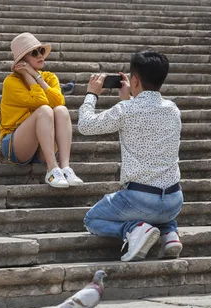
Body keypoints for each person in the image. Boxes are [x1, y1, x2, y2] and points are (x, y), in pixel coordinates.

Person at [77, 50, 183, 261]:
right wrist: (131, 96)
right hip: (174, 201)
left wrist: (91, 94)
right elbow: (146, 116)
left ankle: (135, 229)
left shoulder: (126, 110)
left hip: (140, 199)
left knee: (91, 219)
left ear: (134, 80)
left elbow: (85, 125)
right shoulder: (173, 109)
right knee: (160, 203)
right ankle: (169, 233)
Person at [0, 32, 83, 188]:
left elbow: (59, 101)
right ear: (22, 60)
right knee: (45, 110)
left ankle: (65, 167)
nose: (40, 55)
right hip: (16, 145)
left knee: (61, 111)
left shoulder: (50, 77)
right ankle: (52, 169)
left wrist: (37, 77)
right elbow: (41, 102)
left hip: (44, 146)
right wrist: (31, 77)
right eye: (34, 53)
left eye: (41, 51)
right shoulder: (11, 82)